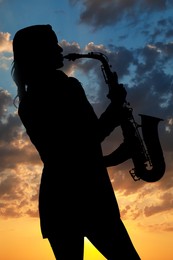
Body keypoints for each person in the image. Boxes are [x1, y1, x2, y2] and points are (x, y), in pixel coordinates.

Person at [11, 24, 140, 259]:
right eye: (53, 44)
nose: (60, 48)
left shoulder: (27, 102)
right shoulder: (66, 88)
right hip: (91, 198)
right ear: (39, 53)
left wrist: (113, 154)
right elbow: (87, 139)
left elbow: (65, 155)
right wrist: (116, 108)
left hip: (57, 203)